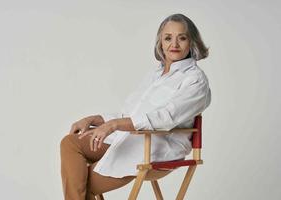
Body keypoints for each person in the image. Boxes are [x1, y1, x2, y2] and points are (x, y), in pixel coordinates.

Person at [60, 13, 211, 200]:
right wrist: (94, 119)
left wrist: (114, 125)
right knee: (70, 143)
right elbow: (129, 113)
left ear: (192, 42)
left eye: (182, 38)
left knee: (82, 184)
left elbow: (165, 118)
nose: (174, 44)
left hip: (156, 146)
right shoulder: (155, 75)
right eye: (168, 38)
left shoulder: (195, 80)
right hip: (128, 136)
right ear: (160, 43)